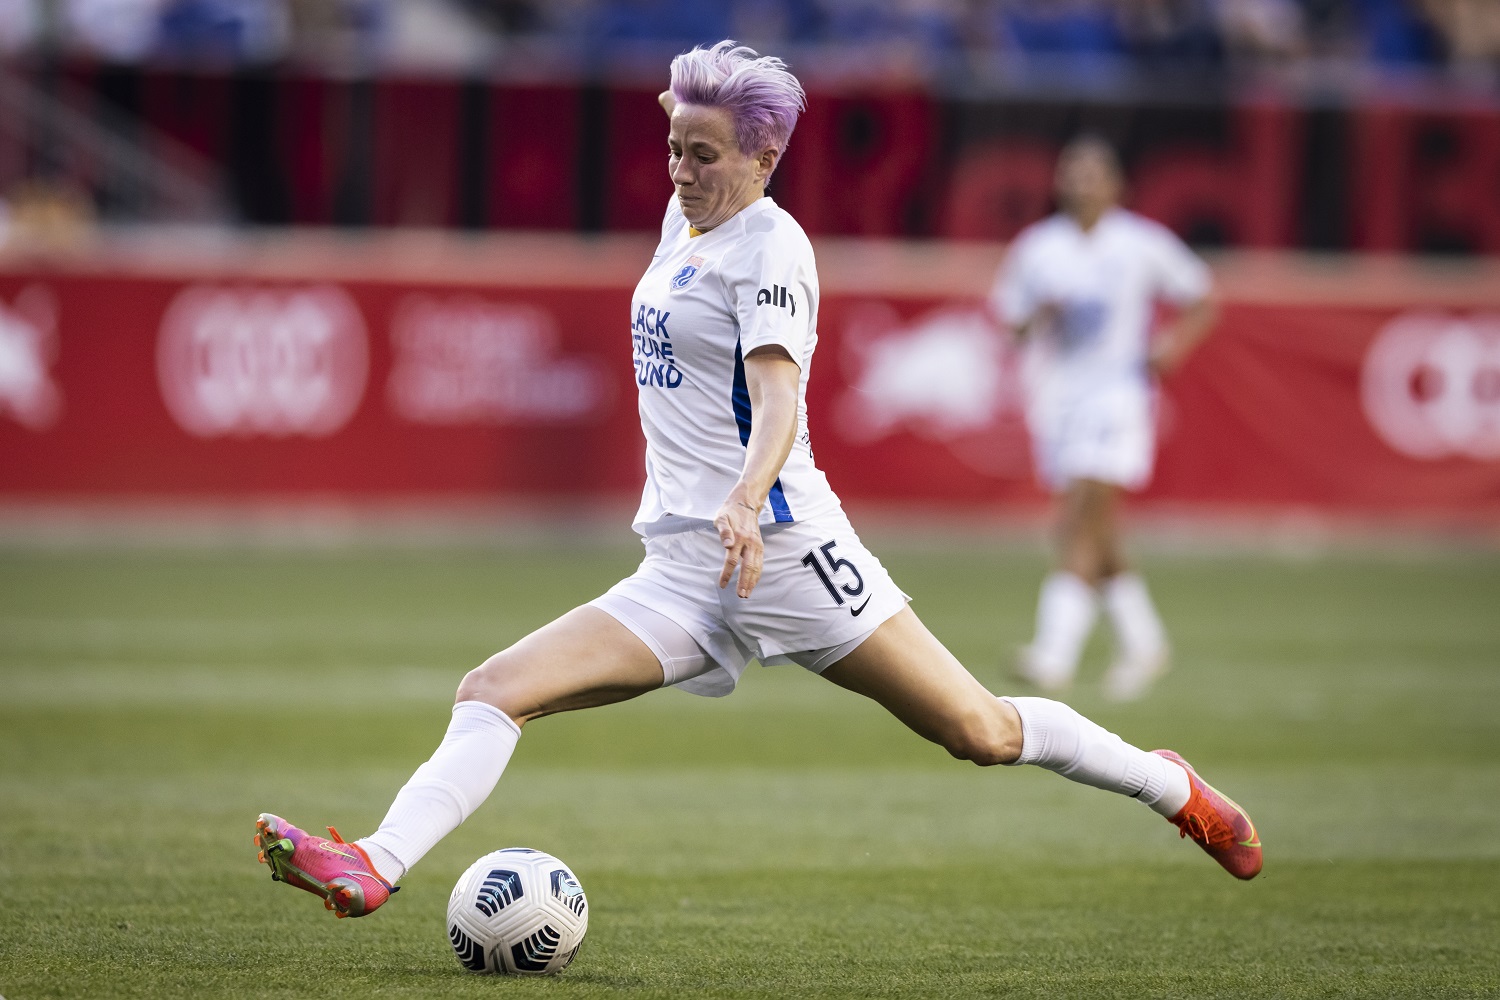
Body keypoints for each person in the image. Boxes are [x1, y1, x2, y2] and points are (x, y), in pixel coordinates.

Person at [253, 42, 1259, 923]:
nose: (682, 169)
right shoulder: (686, 214)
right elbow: (692, 122)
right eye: (675, 150)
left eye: (704, 154)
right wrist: (692, 104)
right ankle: (376, 864)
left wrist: (744, 497)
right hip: (685, 568)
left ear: (764, 160)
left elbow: (778, 400)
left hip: (784, 550)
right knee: (494, 689)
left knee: (982, 731)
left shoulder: (773, 249)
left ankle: (1173, 789)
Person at [993, 135, 1218, 702]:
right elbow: (1012, 324)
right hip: (1059, 400)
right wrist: (1038, 316)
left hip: (1117, 396)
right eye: (1071, 172)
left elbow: (1202, 297)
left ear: (1116, 185)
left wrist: (1172, 345)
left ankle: (1053, 654)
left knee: (1079, 519)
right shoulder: (1039, 248)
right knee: (1098, 528)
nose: (1079, 183)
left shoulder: (1140, 243)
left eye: (1092, 173)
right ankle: (1144, 643)